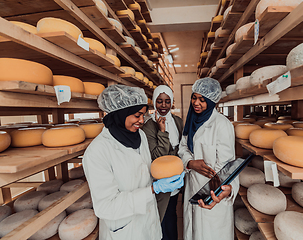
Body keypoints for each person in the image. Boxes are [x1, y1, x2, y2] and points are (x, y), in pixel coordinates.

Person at [82, 84, 185, 240]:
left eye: (143, 115)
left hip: (149, 224)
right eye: (137, 115)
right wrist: (153, 189)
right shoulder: (97, 152)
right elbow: (105, 207)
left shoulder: (140, 137)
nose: (142, 121)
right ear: (121, 113)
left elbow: (144, 172)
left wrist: (164, 176)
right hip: (125, 231)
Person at [178, 77, 239, 240]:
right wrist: (190, 163)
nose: (196, 103)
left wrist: (227, 190)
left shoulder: (222, 125)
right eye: (194, 97)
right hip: (192, 186)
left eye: (202, 100)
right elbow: (182, 147)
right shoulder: (191, 120)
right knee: (193, 231)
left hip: (213, 191)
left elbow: (228, 165)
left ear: (212, 102)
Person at [142, 85, 184, 240]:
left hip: (177, 180)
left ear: (171, 102)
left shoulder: (178, 122)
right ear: (154, 102)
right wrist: (162, 131)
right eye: (159, 101)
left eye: (167, 101)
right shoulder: (149, 126)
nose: (164, 105)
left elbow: (182, 149)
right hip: (160, 183)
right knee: (163, 220)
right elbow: (157, 156)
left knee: (172, 215)